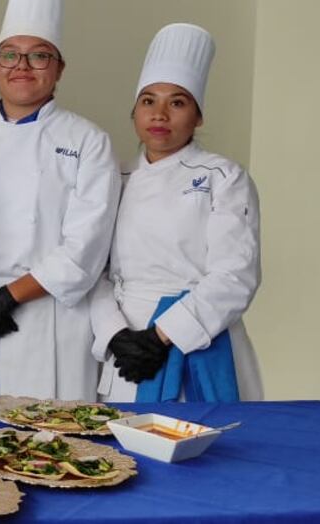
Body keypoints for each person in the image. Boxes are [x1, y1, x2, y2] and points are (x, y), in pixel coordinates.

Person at [0, 0, 120, 401]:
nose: (21, 65)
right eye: (10, 54)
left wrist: (8, 297)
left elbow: (87, 247)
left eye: (39, 55)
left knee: (52, 446)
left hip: (52, 318)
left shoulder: (88, 140)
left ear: (59, 68)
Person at [90, 23, 263, 402]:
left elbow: (235, 276)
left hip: (199, 338)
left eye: (178, 102)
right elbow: (94, 269)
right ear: (134, 111)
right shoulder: (114, 178)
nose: (160, 114)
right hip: (127, 347)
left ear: (198, 116)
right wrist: (116, 334)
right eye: (149, 101)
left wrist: (161, 335)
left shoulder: (224, 177)